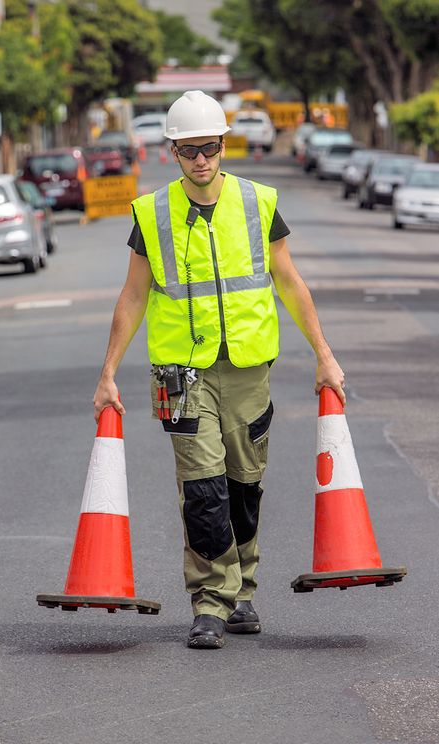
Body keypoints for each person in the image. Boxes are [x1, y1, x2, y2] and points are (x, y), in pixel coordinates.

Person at [93, 90, 345, 650]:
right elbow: (133, 296)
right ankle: (210, 601)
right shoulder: (152, 213)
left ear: (223, 146)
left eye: (208, 148)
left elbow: (288, 281)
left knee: (243, 486)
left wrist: (325, 355)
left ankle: (243, 591)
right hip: (179, 373)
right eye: (188, 151)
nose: (200, 160)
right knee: (201, 487)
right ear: (173, 153)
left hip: (248, 368)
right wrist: (107, 371)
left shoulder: (258, 202)